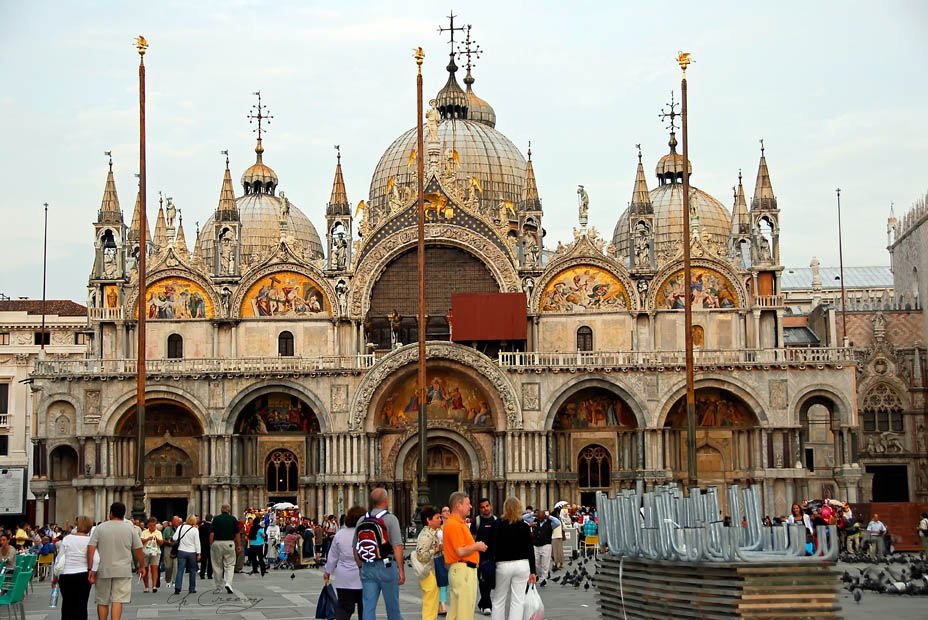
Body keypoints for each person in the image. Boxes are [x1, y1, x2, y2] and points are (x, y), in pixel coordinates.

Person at [87, 501, 146, 620]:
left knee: (102, 600)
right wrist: (142, 565)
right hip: (123, 569)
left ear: (111, 513)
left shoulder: (100, 527)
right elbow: (138, 549)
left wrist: (90, 568)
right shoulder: (130, 528)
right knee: (118, 600)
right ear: (124, 514)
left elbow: (91, 547)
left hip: (103, 568)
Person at [355, 487, 405, 620]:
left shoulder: (361, 520)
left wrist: (360, 567)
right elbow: (397, 547)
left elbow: (355, 547)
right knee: (393, 607)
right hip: (387, 567)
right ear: (385, 500)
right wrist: (401, 570)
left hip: (367, 566)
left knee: (368, 608)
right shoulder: (390, 519)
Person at [443, 491, 488, 620]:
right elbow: (460, 551)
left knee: (456, 613)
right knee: (465, 613)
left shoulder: (458, 523)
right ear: (458, 505)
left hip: (462, 570)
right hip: (463, 570)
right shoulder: (454, 524)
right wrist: (477, 546)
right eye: (467, 504)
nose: (471, 506)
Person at [490, 497, 537, 620]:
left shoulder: (497, 524)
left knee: (499, 600)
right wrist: (533, 571)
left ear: (505, 508)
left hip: (503, 564)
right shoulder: (525, 526)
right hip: (522, 565)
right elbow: (530, 550)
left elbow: (492, 546)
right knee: (518, 601)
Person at [52, 515, 98, 620]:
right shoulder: (90, 541)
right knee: (81, 605)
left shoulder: (67, 539)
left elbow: (59, 560)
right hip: (83, 574)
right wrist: (92, 573)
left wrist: (55, 577)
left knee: (67, 605)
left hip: (66, 575)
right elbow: (97, 559)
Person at [324, 505, 366, 620]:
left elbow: (332, 556)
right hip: (363, 576)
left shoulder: (340, 534)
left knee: (344, 608)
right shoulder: (366, 534)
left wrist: (327, 572)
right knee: (366, 609)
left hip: (344, 578)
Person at [470, 498, 498, 616]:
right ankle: (487, 605)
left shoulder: (496, 520)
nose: (485, 508)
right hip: (479, 556)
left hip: (492, 556)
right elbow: (472, 539)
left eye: (487, 506)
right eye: (482, 507)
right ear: (479, 509)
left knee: (490, 581)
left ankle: (482, 602)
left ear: (490, 506)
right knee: (482, 580)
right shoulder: (476, 521)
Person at [415, 505, 442, 620]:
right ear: (428, 520)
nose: (440, 520)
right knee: (430, 601)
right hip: (426, 572)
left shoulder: (432, 532)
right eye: (437, 517)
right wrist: (436, 550)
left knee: (432, 600)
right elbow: (421, 555)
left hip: (430, 571)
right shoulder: (426, 535)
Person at [210, 504, 242, 594]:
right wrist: (239, 545)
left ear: (221, 510)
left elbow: (212, 534)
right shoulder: (233, 519)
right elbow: (237, 533)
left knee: (217, 566)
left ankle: (218, 587)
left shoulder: (216, 519)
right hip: (229, 543)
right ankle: (228, 583)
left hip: (217, 542)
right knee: (230, 565)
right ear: (229, 510)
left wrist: (211, 544)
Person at [173, 515, 201, 594]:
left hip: (181, 551)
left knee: (180, 570)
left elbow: (175, 538)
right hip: (191, 552)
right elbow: (197, 543)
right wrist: (198, 553)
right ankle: (192, 588)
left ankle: (177, 587)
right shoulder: (195, 530)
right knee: (192, 570)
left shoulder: (180, 527)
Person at [531, 510, 557, 586]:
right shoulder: (535, 521)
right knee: (535, 563)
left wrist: (549, 516)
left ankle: (544, 579)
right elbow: (524, 518)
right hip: (536, 545)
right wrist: (534, 513)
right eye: (539, 517)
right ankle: (539, 575)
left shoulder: (550, 522)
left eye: (541, 517)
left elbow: (558, 522)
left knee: (545, 563)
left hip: (546, 545)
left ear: (545, 517)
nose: (540, 519)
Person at [140, 518, 163, 592]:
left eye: (154, 525)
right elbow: (141, 541)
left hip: (155, 552)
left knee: (154, 568)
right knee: (145, 569)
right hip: (145, 552)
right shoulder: (144, 532)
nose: (152, 527)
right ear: (148, 525)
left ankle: (154, 586)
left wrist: (156, 539)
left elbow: (161, 543)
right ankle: (146, 587)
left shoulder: (158, 532)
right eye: (150, 525)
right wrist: (147, 539)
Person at [436, 506, 451, 616]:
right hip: (440, 556)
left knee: (448, 582)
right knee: (442, 581)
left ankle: (442, 604)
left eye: (448, 511)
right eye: (444, 511)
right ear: (441, 514)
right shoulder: (437, 528)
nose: (446, 512)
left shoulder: (452, 526)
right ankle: (442, 604)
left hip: (451, 556)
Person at [162, 516, 181, 585]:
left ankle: (174, 581)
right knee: (168, 566)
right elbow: (163, 539)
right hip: (168, 548)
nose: (178, 522)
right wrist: (168, 542)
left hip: (177, 548)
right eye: (176, 521)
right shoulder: (167, 529)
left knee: (176, 565)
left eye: (178, 521)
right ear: (172, 521)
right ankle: (168, 580)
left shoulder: (180, 529)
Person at [198, 515, 213, 580]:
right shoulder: (212, 527)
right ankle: (209, 575)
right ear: (211, 519)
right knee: (210, 561)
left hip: (203, 545)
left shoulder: (201, 527)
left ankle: (202, 574)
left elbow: (199, 536)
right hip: (210, 545)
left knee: (203, 561)